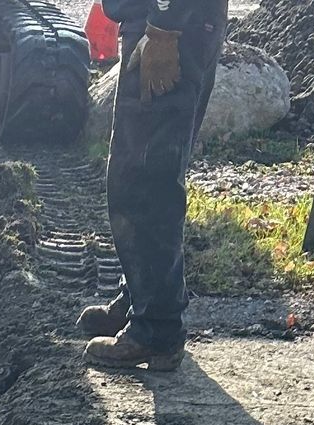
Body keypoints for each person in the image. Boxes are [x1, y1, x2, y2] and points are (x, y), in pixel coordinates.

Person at [81, 0, 226, 373]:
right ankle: (141, 298)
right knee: (151, 169)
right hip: (175, 23)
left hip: (168, 27)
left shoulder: (166, 29)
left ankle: (156, 328)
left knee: (144, 180)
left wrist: (164, 27)